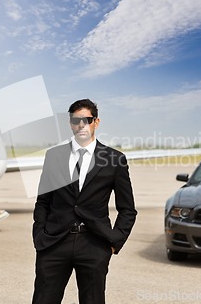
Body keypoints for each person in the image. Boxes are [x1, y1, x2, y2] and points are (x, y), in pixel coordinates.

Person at [32, 99, 137, 304]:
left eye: (86, 120)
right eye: (76, 120)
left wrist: (115, 240)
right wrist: (40, 234)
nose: (81, 125)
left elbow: (127, 209)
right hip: (54, 243)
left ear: (96, 122)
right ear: (70, 123)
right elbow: (43, 201)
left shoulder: (114, 159)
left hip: (94, 244)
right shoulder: (54, 156)